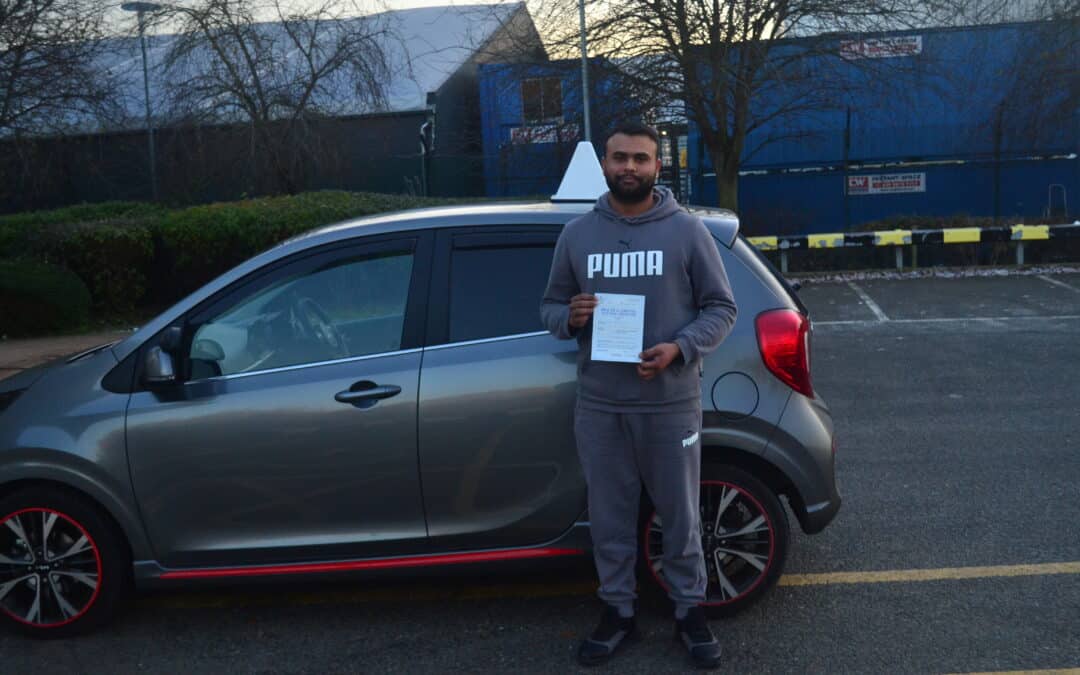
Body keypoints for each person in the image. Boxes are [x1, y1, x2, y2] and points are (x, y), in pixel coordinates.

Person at [540, 122, 738, 669]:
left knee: (679, 516)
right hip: (601, 404)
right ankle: (618, 613)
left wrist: (679, 348)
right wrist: (570, 316)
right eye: (620, 158)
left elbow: (722, 309)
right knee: (609, 516)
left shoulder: (686, 232)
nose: (629, 167)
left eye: (641, 159)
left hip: (670, 403)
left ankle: (689, 611)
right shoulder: (578, 235)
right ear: (605, 163)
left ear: (658, 166)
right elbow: (550, 308)